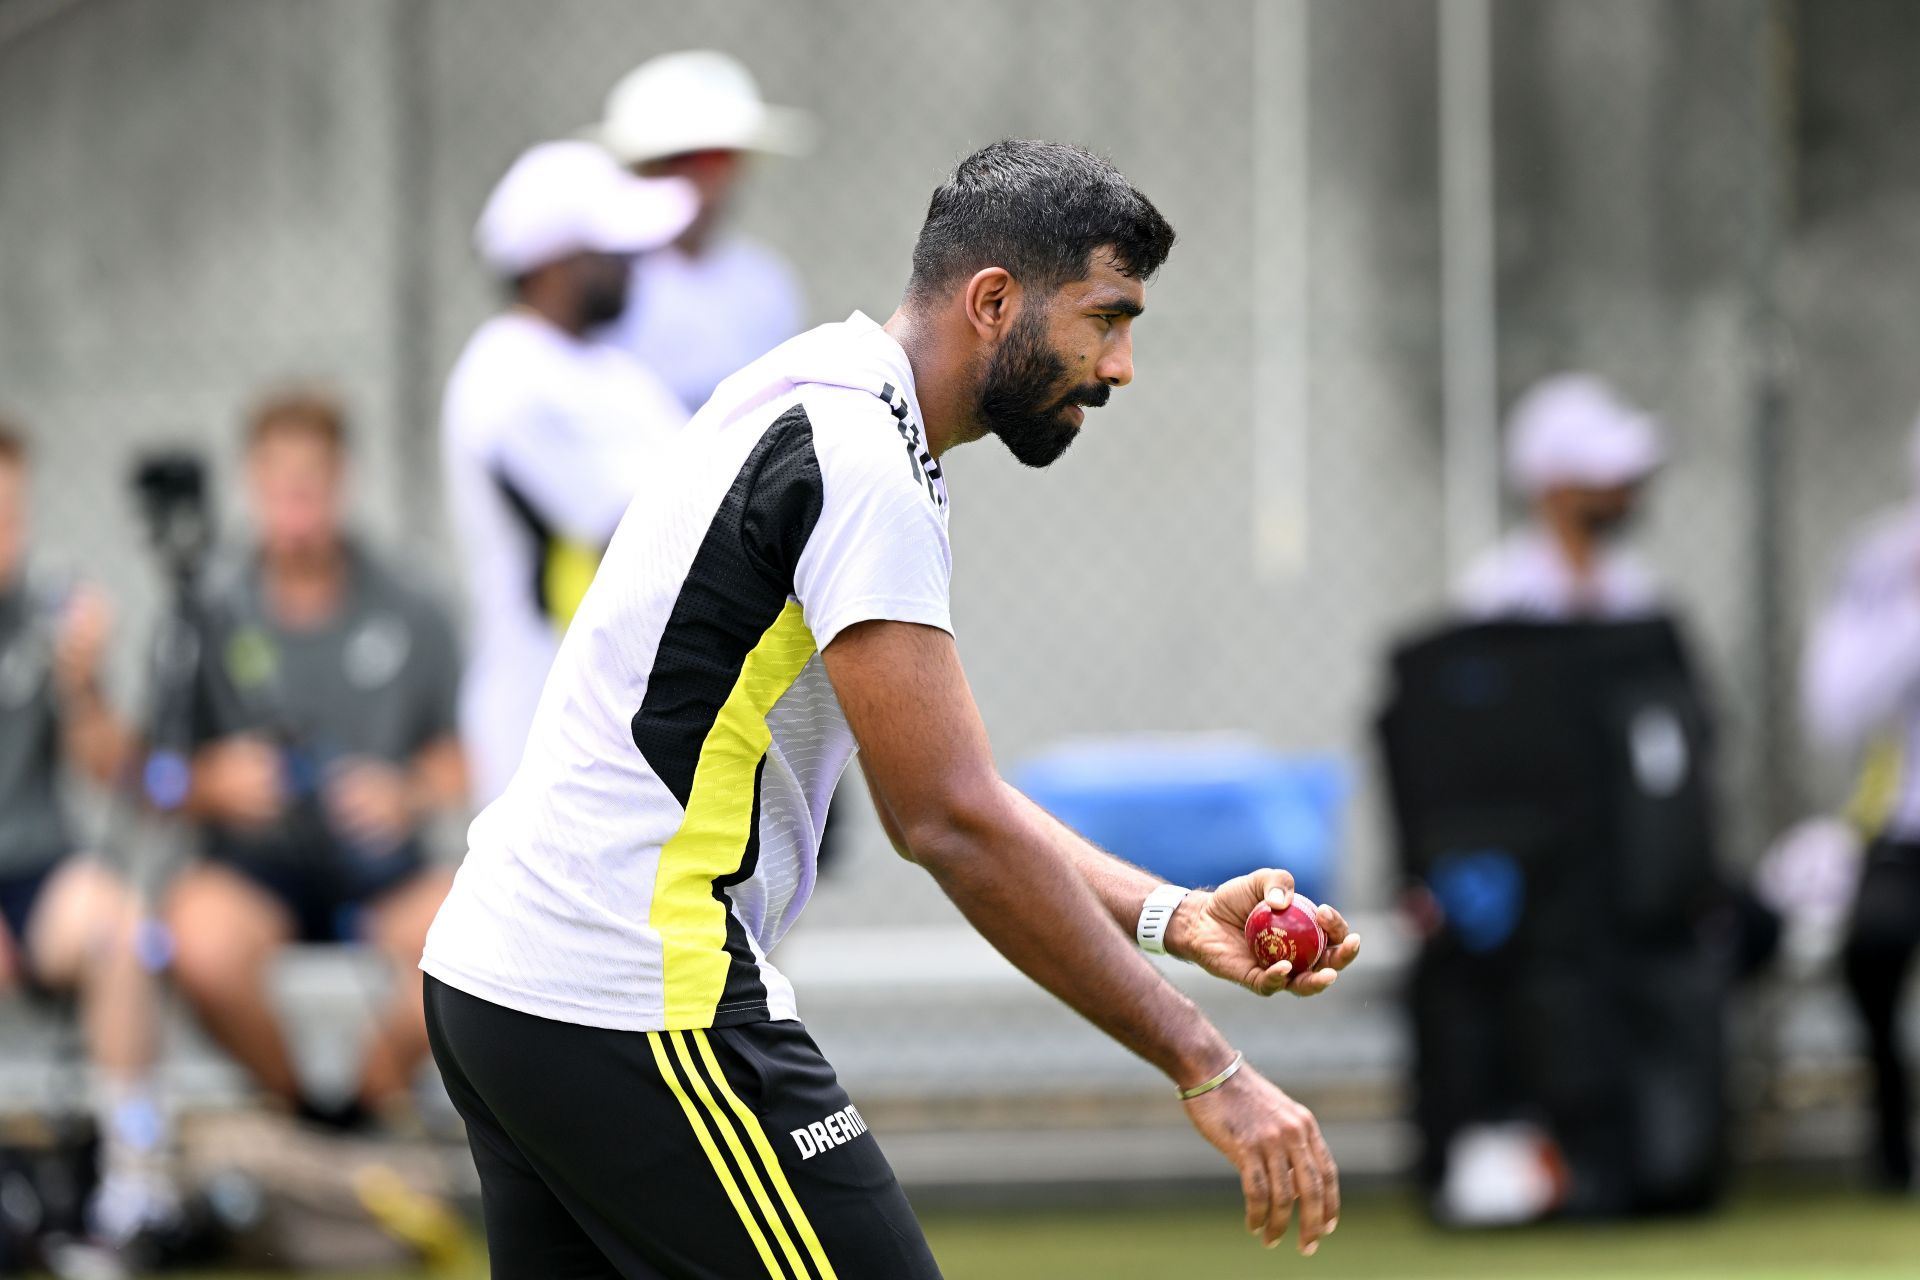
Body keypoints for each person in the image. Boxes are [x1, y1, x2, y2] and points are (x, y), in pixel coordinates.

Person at [422, 139, 1362, 1278]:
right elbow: (947, 823)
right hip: (632, 994)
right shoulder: (865, 458)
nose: (1120, 366)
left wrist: (1170, 912)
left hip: (503, 981)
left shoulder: (825, 389)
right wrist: (1211, 1063)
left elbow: (950, 789)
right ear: (995, 301)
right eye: (1106, 319)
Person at [164, 390, 466, 1131]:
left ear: (342, 480)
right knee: (190, 940)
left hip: (378, 872)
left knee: (479, 936)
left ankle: (365, 1102)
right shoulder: (206, 611)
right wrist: (214, 783)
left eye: (312, 478)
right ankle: (302, 1112)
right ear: (252, 483)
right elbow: (152, 778)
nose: (296, 496)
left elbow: (460, 758)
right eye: (279, 478)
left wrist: (404, 793)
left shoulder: (412, 603)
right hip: (253, 872)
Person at [444, 141, 697, 805]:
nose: (637, 263)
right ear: (555, 264)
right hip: (546, 737)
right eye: (614, 250)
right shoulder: (507, 377)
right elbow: (651, 532)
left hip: (625, 729)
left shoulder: (607, 370)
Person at [0, 420, 178, 1247]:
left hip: (39, 867)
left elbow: (112, 769)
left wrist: (82, 686)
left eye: (11, 516)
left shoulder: (50, 605)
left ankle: (134, 1181)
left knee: (126, 931)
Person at [1802, 413, 1920, 1191]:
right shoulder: (1885, 563)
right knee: (1873, 945)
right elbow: (1835, 710)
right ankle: (1892, 1147)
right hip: (1907, 830)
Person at [590, 49, 812, 413]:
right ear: (642, 169)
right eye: (680, 160)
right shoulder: (605, 287)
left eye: (719, 158)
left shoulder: (768, 283)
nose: (704, 179)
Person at [1457, 373, 1665, 621]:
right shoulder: (1494, 597)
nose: (1625, 489)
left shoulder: (1640, 593)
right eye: (1603, 474)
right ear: (1558, 487)